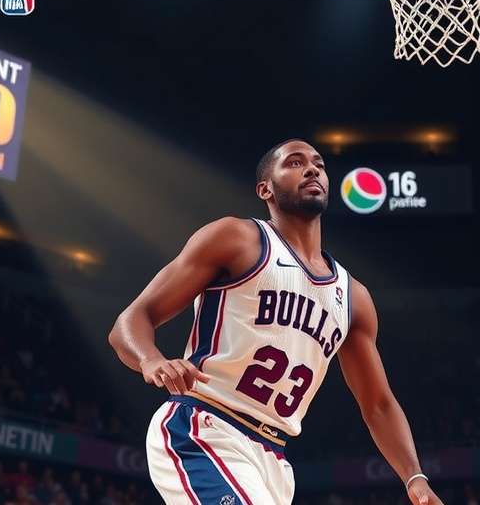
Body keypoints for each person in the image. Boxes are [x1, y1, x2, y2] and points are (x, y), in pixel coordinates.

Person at [109, 139, 445, 505]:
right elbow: (131, 320)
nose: (313, 169)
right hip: (205, 428)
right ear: (265, 188)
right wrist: (151, 359)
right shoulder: (237, 239)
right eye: (296, 163)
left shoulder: (354, 298)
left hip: (275, 460)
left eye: (318, 163)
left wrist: (414, 477)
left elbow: (378, 404)